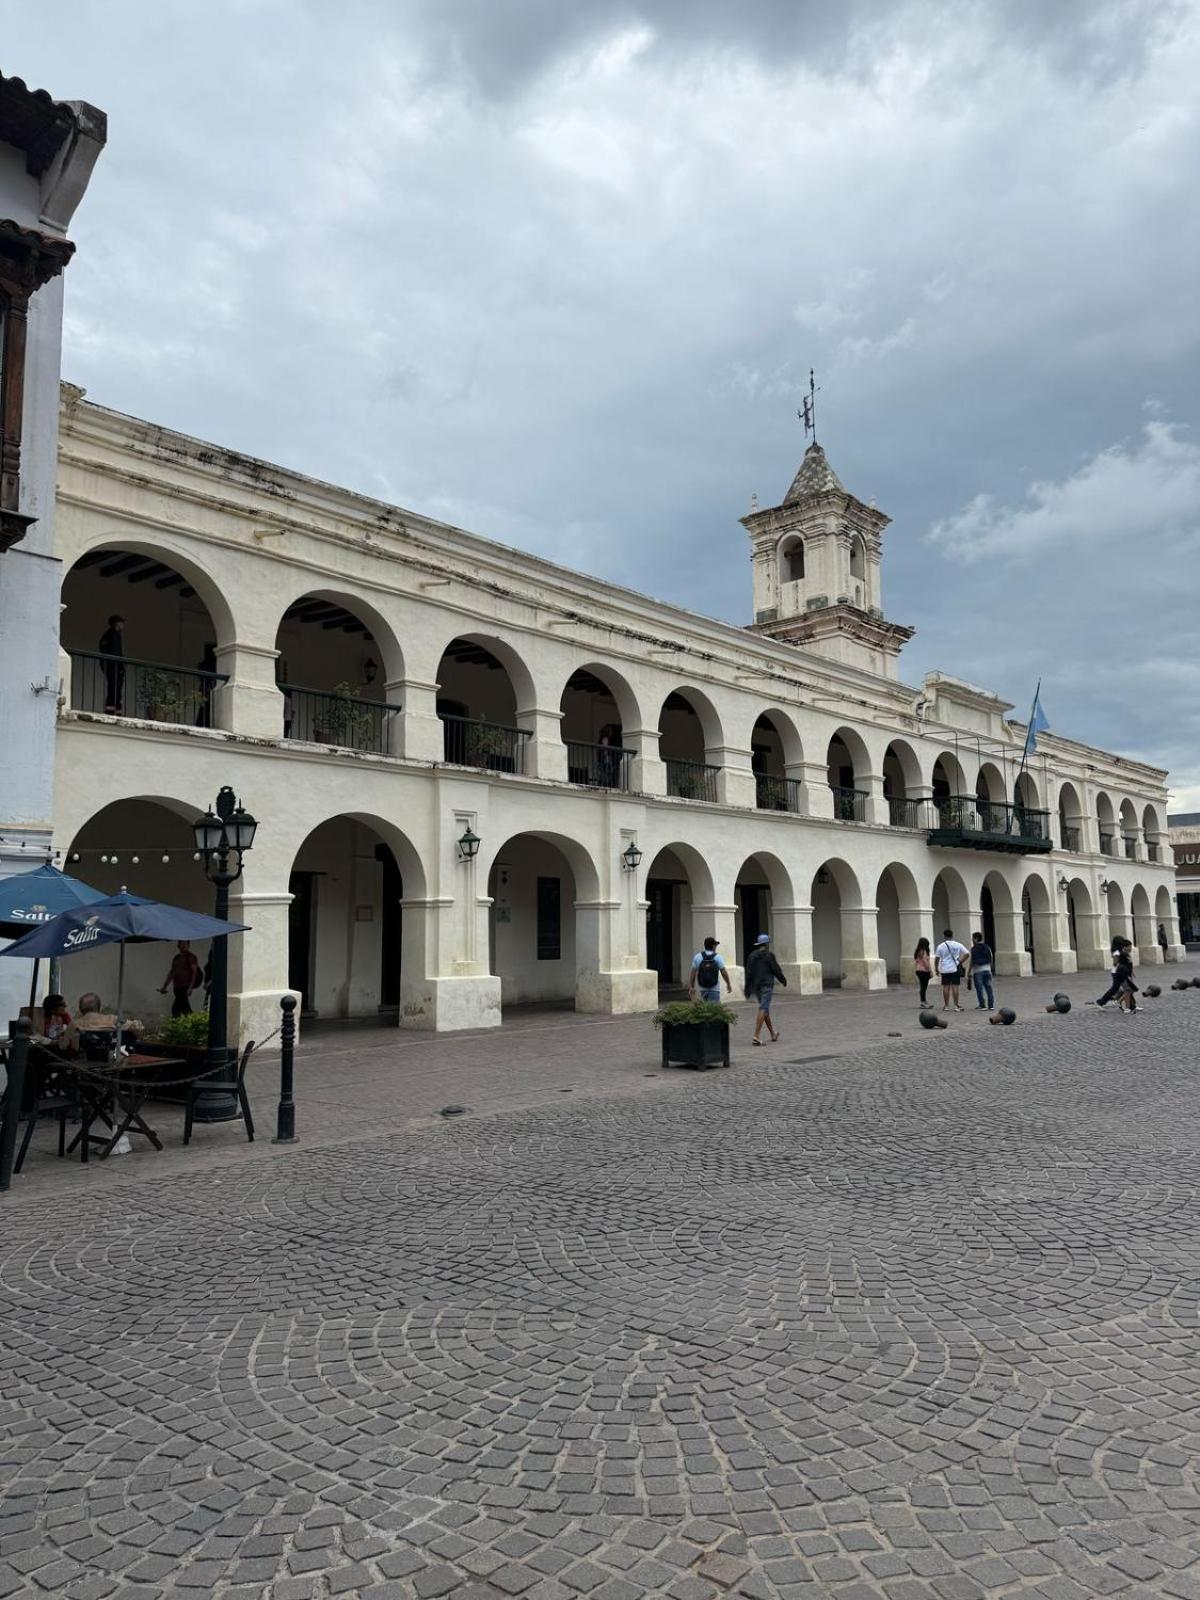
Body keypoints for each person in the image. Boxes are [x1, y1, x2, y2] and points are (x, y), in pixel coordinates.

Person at [744, 932, 787, 1044]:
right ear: (767, 944)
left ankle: (773, 1033)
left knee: (765, 1009)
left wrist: (747, 987)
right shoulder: (769, 955)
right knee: (763, 1008)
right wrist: (783, 979)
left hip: (756, 986)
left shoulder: (752, 956)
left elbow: (749, 972)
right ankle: (756, 1035)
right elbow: (776, 969)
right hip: (766, 985)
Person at [159, 939, 203, 1017]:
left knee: (181, 1009)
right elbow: (172, 973)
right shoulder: (176, 958)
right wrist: (164, 986)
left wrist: (190, 987)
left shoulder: (191, 957)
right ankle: (184, 1025)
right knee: (178, 1009)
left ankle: (193, 1024)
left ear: (189, 945)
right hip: (177, 987)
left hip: (185, 986)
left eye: (185, 944)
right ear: (178, 945)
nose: (184, 946)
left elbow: (194, 973)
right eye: (182, 944)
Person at [934, 927, 969, 1011]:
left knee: (946, 986)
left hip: (945, 968)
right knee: (955, 987)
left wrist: (936, 968)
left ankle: (946, 1006)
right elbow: (967, 954)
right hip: (955, 968)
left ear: (944, 936)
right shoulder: (957, 944)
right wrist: (960, 961)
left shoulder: (941, 946)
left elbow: (937, 959)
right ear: (952, 935)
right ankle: (956, 1006)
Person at [1097, 939, 1138, 1011]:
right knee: (1121, 988)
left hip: (1121, 971)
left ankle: (1131, 1005)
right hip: (1118, 972)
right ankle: (1101, 1002)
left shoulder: (1121, 951)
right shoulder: (1117, 952)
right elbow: (1115, 963)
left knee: (1128, 988)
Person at [689, 935, 731, 1002]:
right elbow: (724, 972)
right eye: (715, 945)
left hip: (702, 989)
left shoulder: (698, 957)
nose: (716, 946)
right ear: (713, 946)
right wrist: (728, 984)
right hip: (714, 989)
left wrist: (691, 986)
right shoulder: (718, 957)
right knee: (714, 1011)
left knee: (704, 1010)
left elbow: (693, 973)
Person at [98, 614, 125, 714]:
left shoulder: (111, 634)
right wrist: (120, 666)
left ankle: (114, 709)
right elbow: (116, 652)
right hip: (113, 665)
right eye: (121, 623)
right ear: (117, 623)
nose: (123, 625)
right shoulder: (112, 634)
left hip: (112, 665)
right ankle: (113, 710)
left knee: (114, 688)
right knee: (114, 688)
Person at [968, 931, 995, 1011]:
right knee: (989, 988)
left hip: (978, 970)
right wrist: (991, 968)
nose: (972, 940)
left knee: (979, 988)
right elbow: (991, 957)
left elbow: (972, 961)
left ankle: (982, 1005)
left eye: (972, 938)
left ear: (976, 939)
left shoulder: (974, 949)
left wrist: (969, 971)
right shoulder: (987, 947)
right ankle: (991, 1005)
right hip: (987, 969)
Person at [196, 641, 217, 727]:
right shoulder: (206, 665)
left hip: (206, 689)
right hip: (206, 689)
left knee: (205, 709)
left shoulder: (203, 665)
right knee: (204, 709)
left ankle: (203, 724)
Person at [914, 937, 932, 1006]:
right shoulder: (923, 951)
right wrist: (930, 970)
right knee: (924, 987)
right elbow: (925, 961)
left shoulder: (918, 951)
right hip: (924, 970)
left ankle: (924, 1001)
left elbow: (917, 961)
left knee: (923, 987)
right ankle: (923, 1002)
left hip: (918, 970)